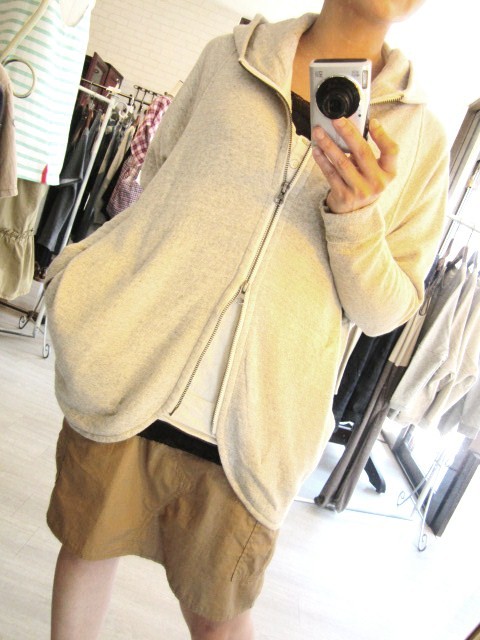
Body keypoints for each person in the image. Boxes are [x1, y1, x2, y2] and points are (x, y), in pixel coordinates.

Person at [44, 1, 448, 638]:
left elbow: (385, 312)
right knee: (86, 548)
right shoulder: (230, 59)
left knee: (221, 616)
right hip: (134, 370)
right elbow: (154, 184)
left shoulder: (421, 136)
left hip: (259, 425)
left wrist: (356, 220)